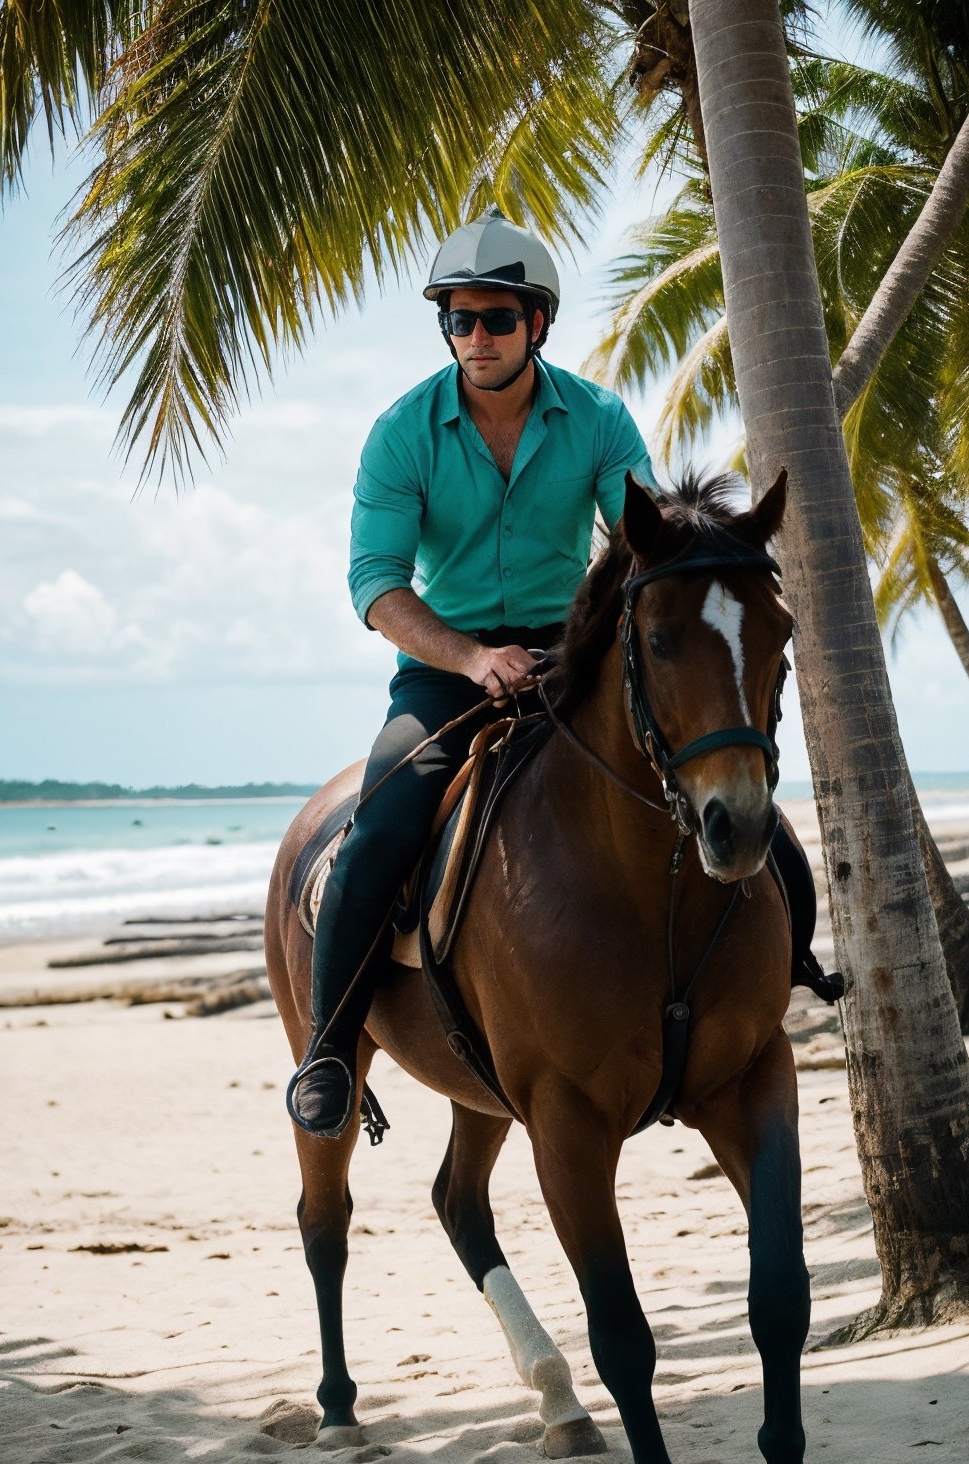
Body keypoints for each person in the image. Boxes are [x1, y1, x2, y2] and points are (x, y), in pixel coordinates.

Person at [287, 208, 655, 1138]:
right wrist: (470, 656)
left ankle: (782, 963)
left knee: (701, 777)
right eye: (459, 319)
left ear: (539, 324)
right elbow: (376, 582)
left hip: (571, 657)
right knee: (381, 825)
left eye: (496, 318)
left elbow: (641, 543)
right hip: (445, 671)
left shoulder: (601, 419)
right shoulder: (403, 432)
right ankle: (330, 1049)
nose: (476, 336)